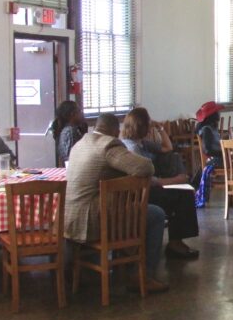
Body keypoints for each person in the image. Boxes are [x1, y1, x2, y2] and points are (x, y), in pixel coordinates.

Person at [64, 113, 168, 292]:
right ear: (115, 130)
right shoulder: (108, 145)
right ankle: (142, 276)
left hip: (71, 219)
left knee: (131, 211)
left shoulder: (80, 144)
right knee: (156, 214)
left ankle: (127, 259)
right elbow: (145, 167)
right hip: (95, 221)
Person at [121, 107, 200, 260]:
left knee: (173, 158)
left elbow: (168, 147)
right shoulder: (132, 148)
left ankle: (176, 240)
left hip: (150, 186)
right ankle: (175, 243)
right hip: (142, 193)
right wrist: (174, 181)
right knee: (183, 195)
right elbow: (147, 180)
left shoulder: (142, 143)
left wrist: (160, 128)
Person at [50, 100, 87, 166]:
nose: (82, 114)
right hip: (74, 168)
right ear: (72, 114)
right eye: (80, 111)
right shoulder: (70, 131)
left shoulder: (70, 129)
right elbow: (71, 157)